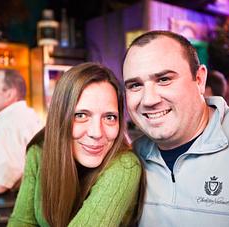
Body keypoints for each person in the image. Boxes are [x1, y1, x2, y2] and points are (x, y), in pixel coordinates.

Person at [122, 30, 229, 226]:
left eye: (164, 79)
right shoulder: (130, 160)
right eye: (135, 85)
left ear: (199, 80)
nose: (149, 99)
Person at [8, 62, 144, 227]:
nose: (97, 133)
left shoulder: (125, 166)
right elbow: (22, 222)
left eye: (109, 117)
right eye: (81, 115)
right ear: (60, 116)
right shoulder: (39, 151)